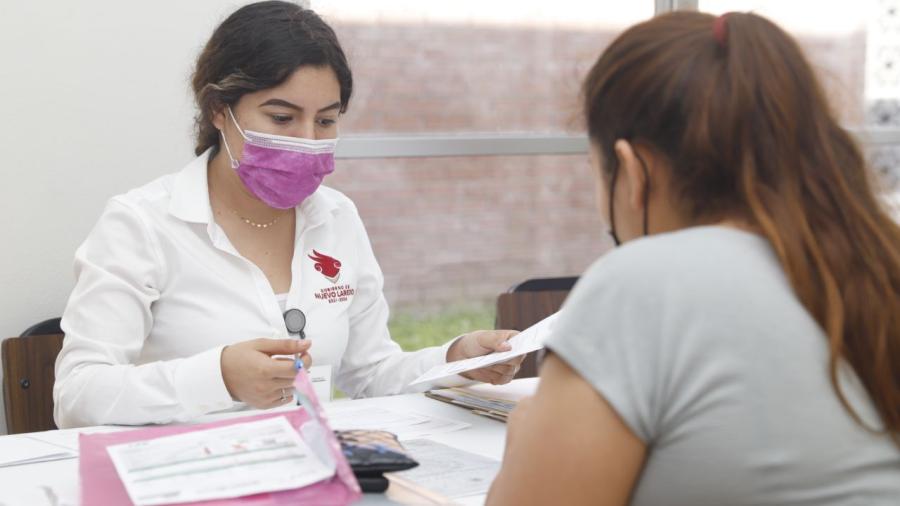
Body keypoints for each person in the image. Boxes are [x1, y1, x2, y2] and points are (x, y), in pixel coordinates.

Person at [488, 11, 900, 505]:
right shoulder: (879, 259)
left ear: (632, 170)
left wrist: (525, 442)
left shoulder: (643, 283)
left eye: (597, 174)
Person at [53, 1, 521, 429]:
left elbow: (371, 372)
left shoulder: (337, 217)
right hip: (186, 477)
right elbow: (77, 395)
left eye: (325, 120)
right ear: (219, 109)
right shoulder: (142, 225)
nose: (307, 140)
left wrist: (456, 359)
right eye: (281, 118)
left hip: (316, 470)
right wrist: (218, 377)